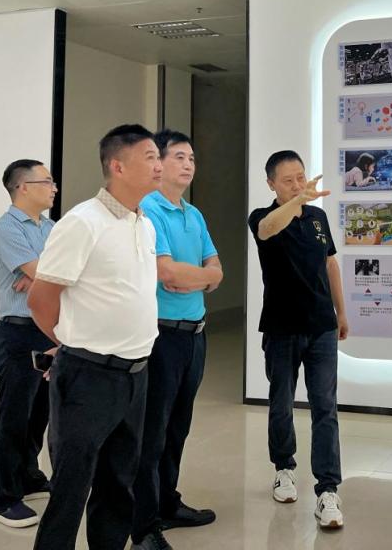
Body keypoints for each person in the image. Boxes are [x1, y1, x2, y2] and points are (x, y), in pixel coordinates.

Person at [27, 124, 162, 550]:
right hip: (88, 375)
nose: (159, 165)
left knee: (118, 484)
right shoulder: (83, 222)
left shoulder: (145, 224)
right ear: (117, 166)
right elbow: (40, 299)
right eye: (150, 157)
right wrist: (70, 343)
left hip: (136, 373)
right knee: (71, 486)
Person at [131, 130, 223, 550]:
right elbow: (166, 273)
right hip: (161, 336)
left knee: (178, 427)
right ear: (159, 163)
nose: (188, 165)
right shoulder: (148, 209)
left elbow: (218, 270)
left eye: (192, 158)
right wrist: (200, 276)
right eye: (179, 157)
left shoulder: (194, 213)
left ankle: (168, 501)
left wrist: (197, 278)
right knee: (152, 431)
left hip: (194, 335)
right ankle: (144, 523)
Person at [248, 151, 349, 530]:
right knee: (281, 403)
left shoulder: (318, 217)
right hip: (281, 327)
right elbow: (267, 229)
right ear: (271, 184)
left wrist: (341, 312)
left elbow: (330, 263)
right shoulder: (263, 216)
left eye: (300, 177)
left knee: (325, 407)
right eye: (288, 180)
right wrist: (295, 201)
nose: (296, 185)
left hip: (321, 326)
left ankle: (328, 489)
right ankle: (283, 469)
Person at [0, 160, 58, 528]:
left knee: (39, 412)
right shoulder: (5, 229)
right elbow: (49, 272)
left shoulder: (51, 227)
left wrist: (40, 277)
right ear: (23, 187)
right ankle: (4, 499)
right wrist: (42, 275)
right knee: (13, 417)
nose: (54, 187)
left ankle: (29, 476)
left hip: (48, 331)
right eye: (47, 181)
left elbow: (65, 271)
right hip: (17, 333)